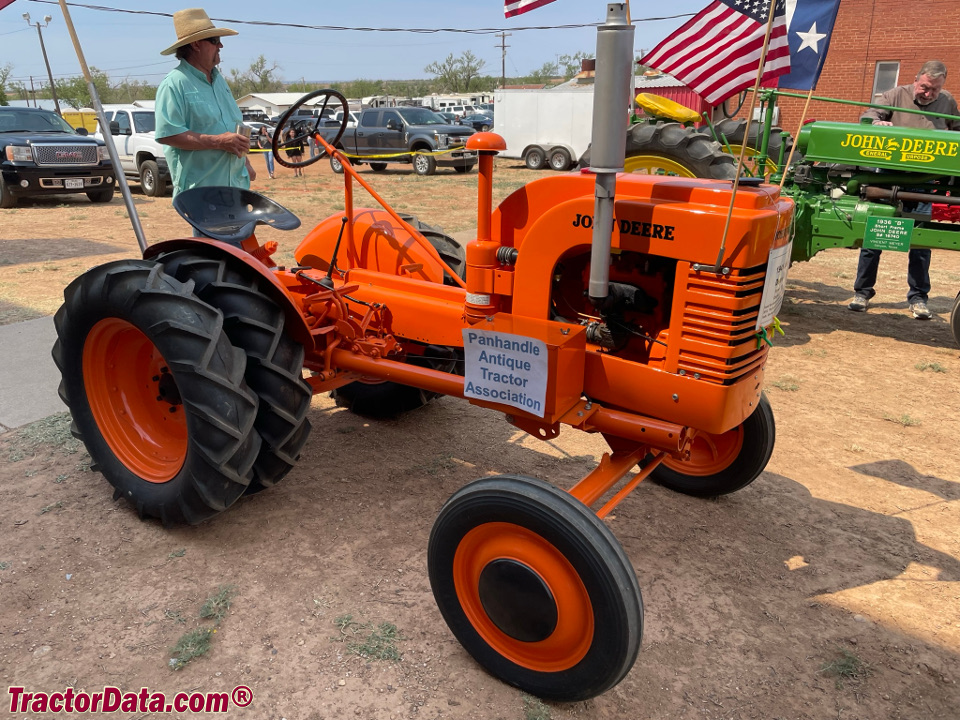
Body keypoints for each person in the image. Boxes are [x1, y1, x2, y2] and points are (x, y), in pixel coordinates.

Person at [849, 61, 960, 320]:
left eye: (934, 89)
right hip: (889, 178)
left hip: (927, 180)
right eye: (924, 87)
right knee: (874, 235)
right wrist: (877, 124)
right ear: (915, 80)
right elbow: (867, 116)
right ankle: (862, 292)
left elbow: (957, 130)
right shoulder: (894, 95)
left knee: (921, 242)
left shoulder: (948, 101)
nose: (928, 93)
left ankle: (918, 298)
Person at [154, 8, 255, 200]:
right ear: (196, 44)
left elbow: (229, 127)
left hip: (237, 188)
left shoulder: (219, 81)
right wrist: (218, 142)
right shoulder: (174, 83)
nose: (221, 46)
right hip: (202, 195)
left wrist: (246, 162)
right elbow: (169, 134)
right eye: (215, 40)